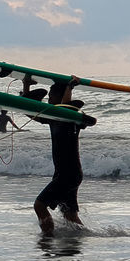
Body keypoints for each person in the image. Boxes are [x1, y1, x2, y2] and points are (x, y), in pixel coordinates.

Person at [22, 76, 86, 236]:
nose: (48, 100)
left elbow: (67, 108)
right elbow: (30, 111)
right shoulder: (53, 119)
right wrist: (26, 86)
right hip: (67, 174)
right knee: (69, 216)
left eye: (51, 96)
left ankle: (48, 238)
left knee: (39, 205)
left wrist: (70, 87)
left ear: (59, 97)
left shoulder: (70, 118)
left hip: (68, 174)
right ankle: (84, 237)